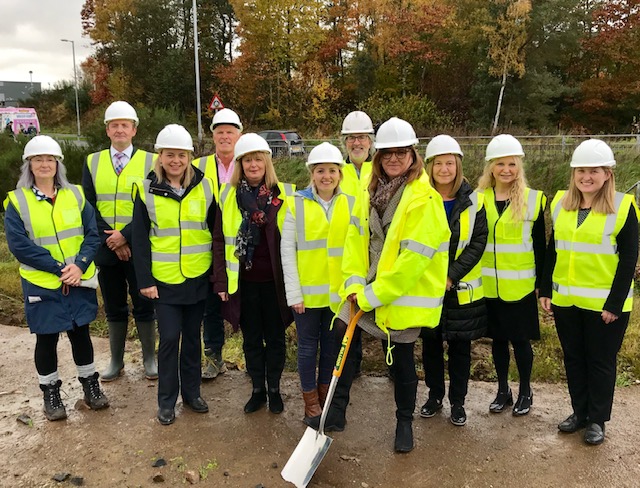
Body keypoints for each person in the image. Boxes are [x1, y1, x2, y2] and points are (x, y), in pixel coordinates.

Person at [309, 117, 451, 453]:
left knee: (401, 361)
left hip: (400, 295)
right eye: (387, 153)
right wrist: (356, 286)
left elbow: (412, 263)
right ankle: (335, 412)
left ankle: (404, 422)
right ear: (378, 156)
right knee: (341, 342)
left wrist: (372, 295)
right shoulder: (368, 191)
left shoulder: (424, 199)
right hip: (364, 287)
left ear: (412, 155)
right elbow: (355, 240)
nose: (393, 158)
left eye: (400, 153)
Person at [539, 139, 639, 445]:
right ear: (574, 173)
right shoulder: (561, 205)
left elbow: (629, 259)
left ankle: (597, 420)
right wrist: (545, 289)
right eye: (581, 170)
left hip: (604, 306)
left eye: (594, 170)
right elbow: (553, 250)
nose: (587, 176)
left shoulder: (623, 207)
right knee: (574, 359)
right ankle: (579, 412)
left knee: (600, 361)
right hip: (567, 301)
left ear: (607, 174)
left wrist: (614, 303)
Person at [4, 136, 109, 421]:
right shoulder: (17, 201)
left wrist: (80, 265)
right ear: (29, 165)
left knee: (81, 334)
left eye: (50, 159)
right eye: (38, 160)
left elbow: (92, 233)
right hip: (43, 283)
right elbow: (19, 245)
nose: (45, 164)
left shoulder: (75, 194)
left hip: (77, 279)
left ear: (58, 163)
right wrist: (58, 267)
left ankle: (90, 386)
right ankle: (50, 392)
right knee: (47, 339)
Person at [132, 125, 216, 425]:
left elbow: (215, 233)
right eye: (170, 155)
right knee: (169, 339)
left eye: (181, 155)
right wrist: (145, 281)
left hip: (196, 277)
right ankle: (167, 401)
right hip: (164, 281)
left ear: (190, 156)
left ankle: (192, 394)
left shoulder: (206, 187)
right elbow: (140, 240)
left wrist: (215, 276)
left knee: (193, 338)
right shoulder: (146, 190)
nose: (176, 160)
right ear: (160, 156)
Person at [212, 133, 294, 415]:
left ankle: (275, 390)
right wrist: (220, 280)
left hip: (275, 284)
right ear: (240, 164)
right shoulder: (227, 195)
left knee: (275, 338)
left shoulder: (286, 195)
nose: (253, 164)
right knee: (251, 339)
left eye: (258, 158)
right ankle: (257, 389)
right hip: (244, 283)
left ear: (266, 162)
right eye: (248, 159)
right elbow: (219, 240)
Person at [82, 101, 157, 382]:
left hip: (138, 245)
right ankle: (116, 361)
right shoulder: (93, 161)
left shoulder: (151, 161)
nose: (120, 129)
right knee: (113, 306)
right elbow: (88, 205)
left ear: (134, 129)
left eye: (125, 125)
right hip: (105, 247)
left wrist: (124, 235)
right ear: (107, 130)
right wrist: (111, 238)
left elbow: (151, 205)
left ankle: (150, 359)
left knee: (144, 303)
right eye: (114, 125)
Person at [281, 142, 353, 425]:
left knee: (331, 348)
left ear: (340, 173)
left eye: (332, 170)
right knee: (308, 348)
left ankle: (325, 399)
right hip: (307, 296)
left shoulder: (350, 203)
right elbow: (287, 251)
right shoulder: (296, 203)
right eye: (320, 170)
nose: (327, 176)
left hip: (338, 296)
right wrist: (294, 293)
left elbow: (355, 249)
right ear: (312, 173)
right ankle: (310, 403)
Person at [420, 135, 488, 426]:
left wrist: (451, 275)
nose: (444, 169)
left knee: (460, 349)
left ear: (458, 165)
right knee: (431, 346)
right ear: (430, 166)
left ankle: (457, 403)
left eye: (450, 163)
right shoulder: (420, 197)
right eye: (439, 163)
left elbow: (478, 241)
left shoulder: (474, 200)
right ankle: (435, 396)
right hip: (426, 286)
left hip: (459, 290)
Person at [477, 134, 546, 416]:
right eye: (501, 164)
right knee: (498, 341)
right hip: (489, 287)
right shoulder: (477, 199)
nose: (507, 170)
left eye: (512, 164)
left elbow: (541, 246)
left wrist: (543, 286)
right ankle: (503, 389)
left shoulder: (533, 199)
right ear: (491, 167)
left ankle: (526, 390)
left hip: (520, 286)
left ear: (519, 167)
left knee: (521, 342)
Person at [193, 108, 243, 380]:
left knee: (247, 303)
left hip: (241, 245)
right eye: (220, 132)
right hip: (208, 244)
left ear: (239, 135)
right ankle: (213, 357)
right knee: (211, 304)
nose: (225, 136)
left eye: (230, 132)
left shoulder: (248, 162)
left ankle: (253, 358)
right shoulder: (199, 166)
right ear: (213, 136)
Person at [340, 110, 376, 378]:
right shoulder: (336, 172)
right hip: (347, 254)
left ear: (371, 140)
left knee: (384, 310)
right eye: (351, 138)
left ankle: (392, 368)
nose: (357, 143)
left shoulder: (381, 170)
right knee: (350, 313)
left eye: (361, 137)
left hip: (377, 252)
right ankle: (352, 368)